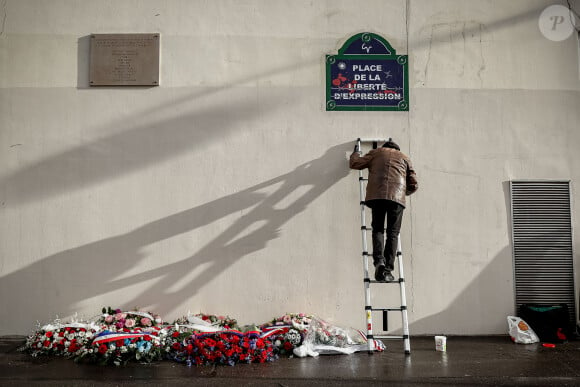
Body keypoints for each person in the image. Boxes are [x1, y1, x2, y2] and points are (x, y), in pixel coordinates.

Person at [349, 139, 418, 282]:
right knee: (393, 233)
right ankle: (387, 270)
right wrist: (402, 193)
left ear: (384, 147)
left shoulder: (376, 152)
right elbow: (414, 184)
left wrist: (356, 153)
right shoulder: (405, 157)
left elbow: (355, 164)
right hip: (397, 199)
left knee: (378, 229)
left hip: (377, 196)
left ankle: (379, 262)